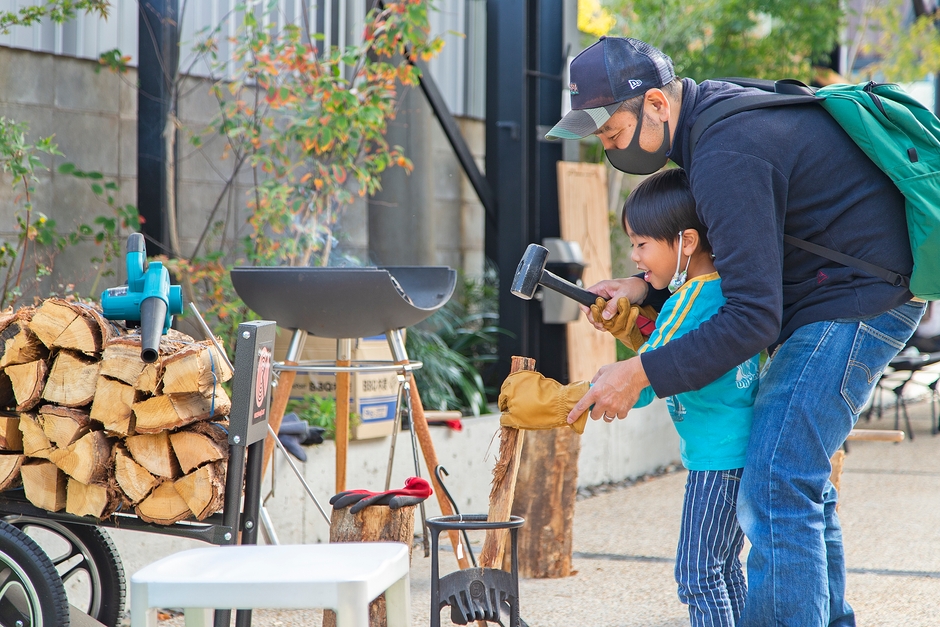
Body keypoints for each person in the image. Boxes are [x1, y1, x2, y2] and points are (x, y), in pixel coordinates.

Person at [548, 36, 925, 627]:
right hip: (845, 291)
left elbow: (751, 316)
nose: (609, 148)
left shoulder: (725, 151)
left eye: (613, 133)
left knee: (777, 481)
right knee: (799, 479)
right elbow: (727, 265)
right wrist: (643, 289)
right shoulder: (715, 122)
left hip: (857, 299)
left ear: (655, 104)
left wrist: (641, 371)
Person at [623, 167, 757, 626]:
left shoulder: (686, 300)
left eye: (642, 244)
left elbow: (639, 383)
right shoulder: (728, 289)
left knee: (697, 574)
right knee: (724, 568)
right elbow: (663, 349)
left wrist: (571, 400)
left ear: (686, 242)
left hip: (716, 460)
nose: (635, 256)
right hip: (741, 450)